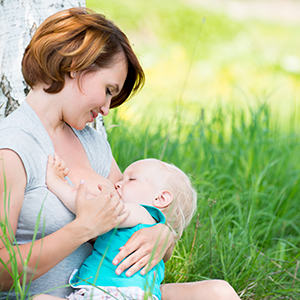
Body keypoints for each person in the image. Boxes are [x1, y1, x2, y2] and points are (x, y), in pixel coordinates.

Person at [0, 7, 241, 300]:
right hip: (55, 297)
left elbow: (137, 214)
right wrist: (81, 229)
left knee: (218, 292)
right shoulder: (12, 149)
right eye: (108, 89)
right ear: (76, 65)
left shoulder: (92, 142)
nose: (106, 108)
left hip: (117, 293)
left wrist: (163, 235)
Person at [34, 154, 197, 300]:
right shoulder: (143, 225)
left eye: (131, 179)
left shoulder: (142, 213)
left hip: (115, 292)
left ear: (161, 198)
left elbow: (91, 207)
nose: (118, 184)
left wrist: (56, 183)